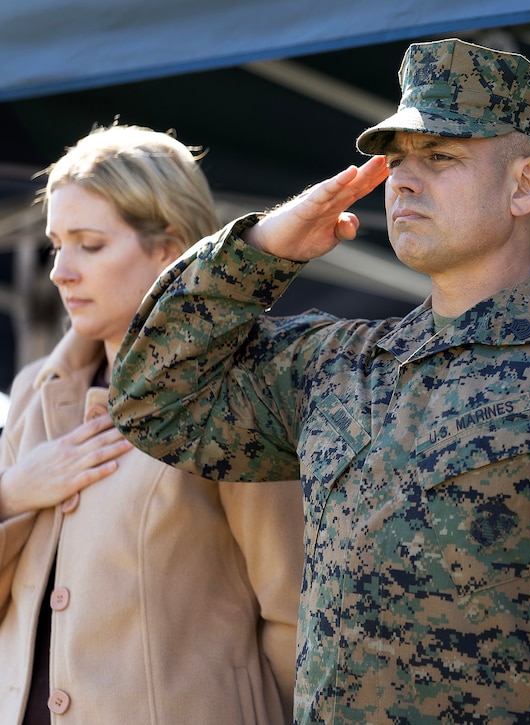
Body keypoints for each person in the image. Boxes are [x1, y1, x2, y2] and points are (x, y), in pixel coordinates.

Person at [108, 39, 530, 723]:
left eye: (440, 158)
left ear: (525, 184)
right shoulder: (340, 364)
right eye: (397, 162)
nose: (401, 183)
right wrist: (261, 250)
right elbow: (154, 398)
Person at [0, 125, 303, 724]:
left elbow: (293, 612)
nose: (60, 270)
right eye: (56, 244)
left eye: (88, 244)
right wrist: (12, 491)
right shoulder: (36, 392)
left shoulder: (237, 387)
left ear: (169, 250)